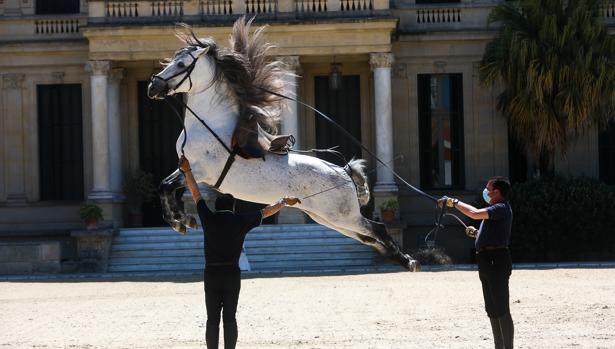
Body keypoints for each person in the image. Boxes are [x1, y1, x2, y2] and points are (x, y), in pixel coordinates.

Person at [178, 155, 300, 349]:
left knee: (212, 320)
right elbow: (266, 211)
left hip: (211, 273)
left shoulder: (208, 218)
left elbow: (196, 194)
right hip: (232, 274)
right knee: (230, 319)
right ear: (233, 208)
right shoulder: (240, 221)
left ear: (216, 207)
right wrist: (284, 201)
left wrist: (188, 171)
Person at [439, 176, 514, 349]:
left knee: (501, 307)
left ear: (497, 192)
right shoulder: (493, 209)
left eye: (488, 189)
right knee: (492, 309)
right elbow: (489, 229)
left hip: (497, 260)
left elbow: (473, 213)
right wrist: (477, 233)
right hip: (486, 260)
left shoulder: (501, 207)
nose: (486, 191)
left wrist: (454, 202)